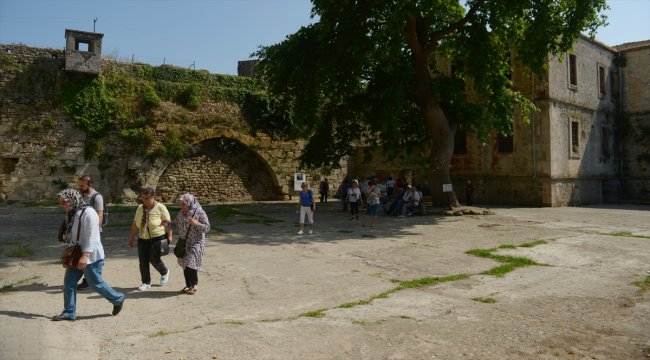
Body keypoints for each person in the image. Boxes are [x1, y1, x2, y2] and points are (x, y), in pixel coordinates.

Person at [52, 189, 124, 321]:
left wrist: (85, 255)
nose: (63, 205)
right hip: (76, 254)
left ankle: (118, 298)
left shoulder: (89, 213)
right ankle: (69, 312)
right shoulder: (73, 213)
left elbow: (93, 237)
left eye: (64, 202)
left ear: (72, 200)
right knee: (69, 283)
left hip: (91, 256)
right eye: (61, 203)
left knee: (96, 284)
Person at [162, 193, 210, 295]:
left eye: (183, 204)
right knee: (185, 263)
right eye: (180, 204)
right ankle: (188, 285)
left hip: (196, 243)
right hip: (183, 243)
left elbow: (206, 228)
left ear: (189, 203)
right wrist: (167, 224)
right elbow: (175, 225)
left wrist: (196, 223)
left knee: (190, 263)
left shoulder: (199, 212)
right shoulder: (181, 213)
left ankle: (194, 285)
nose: (181, 206)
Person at [128, 188, 172, 291]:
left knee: (154, 259)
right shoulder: (140, 208)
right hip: (143, 238)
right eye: (142, 198)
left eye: (147, 198)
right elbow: (135, 224)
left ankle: (164, 272)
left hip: (157, 237)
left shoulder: (161, 207)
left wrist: (169, 236)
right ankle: (145, 282)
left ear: (153, 197)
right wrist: (131, 237)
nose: (144, 200)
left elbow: (168, 223)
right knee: (143, 261)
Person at [76, 175, 104, 291]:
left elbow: (100, 215)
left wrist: (94, 233)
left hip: (93, 233)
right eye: (79, 185)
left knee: (93, 256)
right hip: (82, 232)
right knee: (83, 254)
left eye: (82, 185)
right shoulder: (81, 196)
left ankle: (91, 281)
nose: (80, 187)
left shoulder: (97, 197)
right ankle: (89, 279)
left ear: (90, 185)